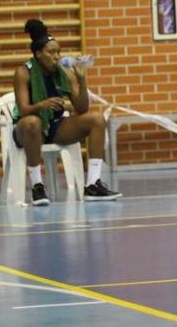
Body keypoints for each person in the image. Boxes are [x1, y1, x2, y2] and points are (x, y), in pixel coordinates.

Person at [12, 20, 120, 204]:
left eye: (58, 52)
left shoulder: (64, 72)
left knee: (96, 120)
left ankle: (92, 185)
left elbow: (82, 108)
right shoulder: (24, 72)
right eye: (51, 52)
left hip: (54, 126)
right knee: (33, 123)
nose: (57, 56)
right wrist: (42, 105)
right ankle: (38, 186)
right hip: (26, 129)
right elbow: (23, 110)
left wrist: (81, 79)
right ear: (38, 54)